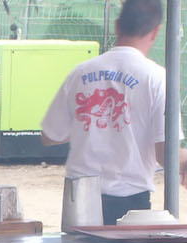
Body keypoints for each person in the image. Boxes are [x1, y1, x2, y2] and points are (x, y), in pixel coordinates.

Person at [41, 0, 187, 226]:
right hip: (131, 204)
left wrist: (89, 123)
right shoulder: (158, 79)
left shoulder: (80, 73)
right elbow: (165, 154)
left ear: (117, 26)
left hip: (79, 200)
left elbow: (50, 135)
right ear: (156, 31)